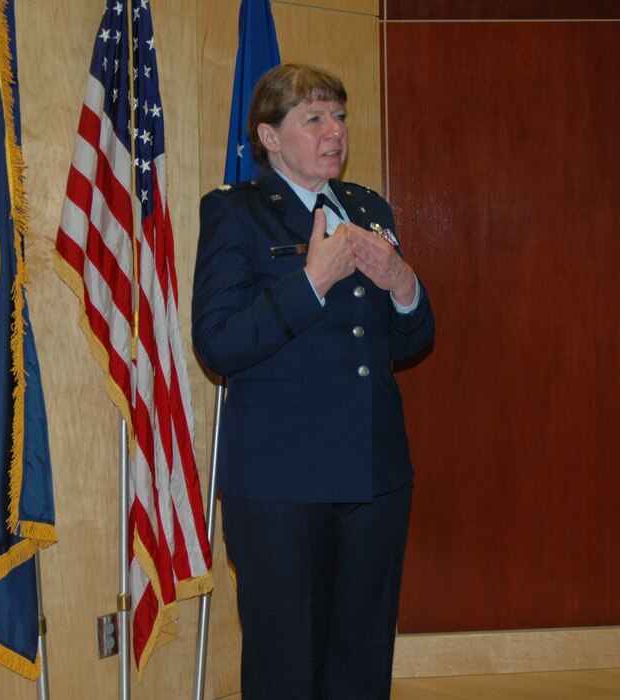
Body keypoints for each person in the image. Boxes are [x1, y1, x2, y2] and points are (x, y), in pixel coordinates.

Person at [191, 64, 435, 699]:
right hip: (281, 483)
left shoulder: (369, 209)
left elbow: (405, 343)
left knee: (362, 658)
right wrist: (310, 283)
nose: (335, 132)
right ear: (269, 137)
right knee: (286, 666)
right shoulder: (235, 213)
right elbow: (217, 344)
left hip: (374, 475)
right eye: (315, 119)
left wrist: (403, 286)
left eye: (341, 117)